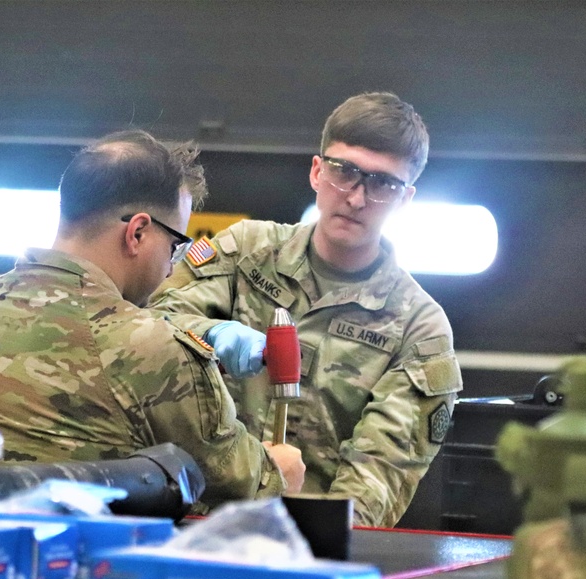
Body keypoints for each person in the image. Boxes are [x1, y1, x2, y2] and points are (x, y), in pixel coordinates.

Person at [0, 129, 304, 510]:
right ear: (137, 232)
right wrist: (280, 470)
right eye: (175, 246)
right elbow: (241, 484)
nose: (171, 269)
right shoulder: (153, 347)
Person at [149, 92, 463, 527]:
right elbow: (148, 330)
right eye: (344, 172)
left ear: (405, 199)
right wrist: (211, 335)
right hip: (197, 522)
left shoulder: (419, 329)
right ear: (317, 171)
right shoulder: (244, 251)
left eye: (382, 184)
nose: (356, 197)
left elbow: (378, 477)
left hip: (308, 541)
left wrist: (315, 545)